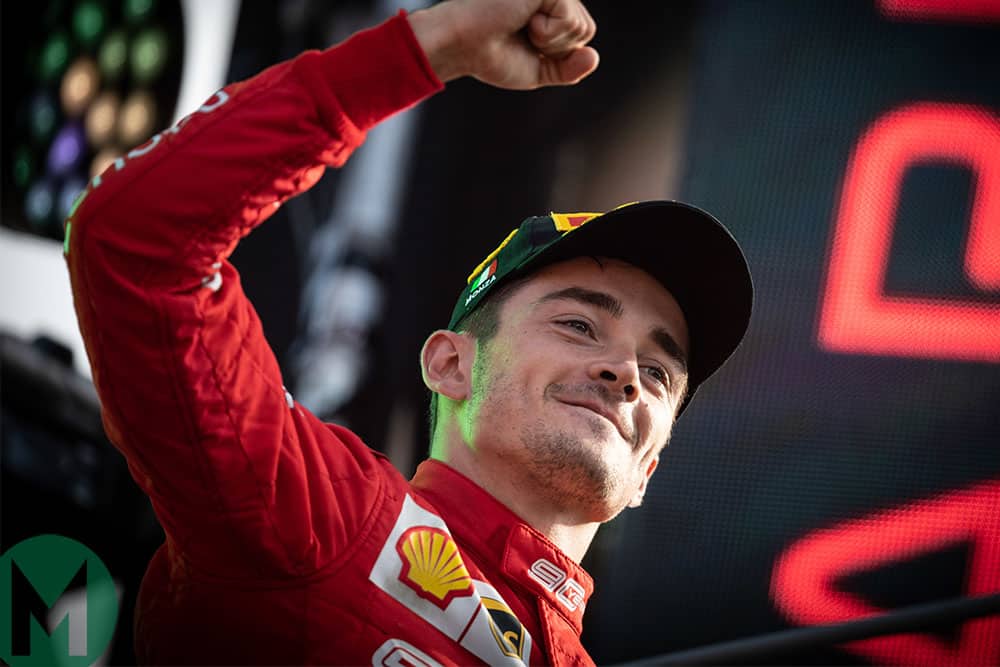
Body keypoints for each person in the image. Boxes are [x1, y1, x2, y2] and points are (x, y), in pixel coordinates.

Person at [64, 0, 752, 664]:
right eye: (578, 323)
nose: (626, 371)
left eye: (659, 372)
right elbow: (134, 242)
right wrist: (431, 46)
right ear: (451, 364)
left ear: (648, 471)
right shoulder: (322, 512)